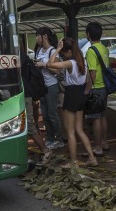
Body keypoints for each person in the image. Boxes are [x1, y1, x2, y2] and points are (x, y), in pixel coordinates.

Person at [38, 37, 98, 167]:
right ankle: (92, 158)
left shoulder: (71, 62)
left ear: (69, 51)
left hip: (71, 95)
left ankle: (73, 161)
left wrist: (57, 48)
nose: (63, 55)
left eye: (63, 53)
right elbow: (89, 79)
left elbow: (49, 64)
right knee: (79, 130)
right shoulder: (83, 61)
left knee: (70, 131)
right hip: (81, 94)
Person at [84, 21, 111, 155]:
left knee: (95, 118)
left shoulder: (91, 51)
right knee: (102, 116)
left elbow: (92, 73)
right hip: (105, 87)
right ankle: (105, 142)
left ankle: (98, 147)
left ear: (88, 34)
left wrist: (87, 90)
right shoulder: (104, 48)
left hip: (96, 88)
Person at [34, 27, 64, 149]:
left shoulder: (52, 51)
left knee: (52, 113)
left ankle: (59, 138)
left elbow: (57, 70)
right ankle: (50, 138)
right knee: (45, 114)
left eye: (37, 36)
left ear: (44, 36)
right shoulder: (39, 50)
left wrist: (44, 65)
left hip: (52, 85)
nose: (36, 38)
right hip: (42, 87)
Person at [20, 46, 50, 165]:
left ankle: (45, 150)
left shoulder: (17, 55)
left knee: (29, 125)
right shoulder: (20, 55)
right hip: (23, 94)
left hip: (24, 94)